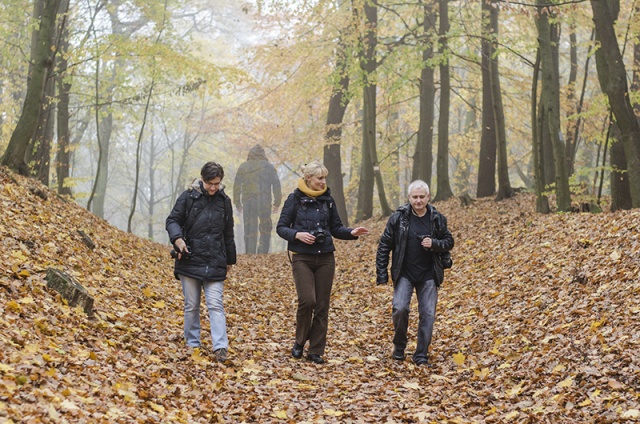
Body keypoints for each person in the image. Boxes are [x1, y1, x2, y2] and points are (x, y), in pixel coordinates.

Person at [276, 161, 369, 364]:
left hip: (326, 257)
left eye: (324, 178)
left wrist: (351, 232)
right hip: (302, 257)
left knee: (322, 305)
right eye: (320, 178)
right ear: (308, 178)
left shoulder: (328, 200)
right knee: (307, 300)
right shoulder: (294, 199)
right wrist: (298, 235)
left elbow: (336, 228)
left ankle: (316, 350)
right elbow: (281, 228)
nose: (323, 182)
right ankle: (300, 341)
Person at [375, 180, 454, 366]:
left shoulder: (437, 218)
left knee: (428, 314)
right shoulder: (398, 218)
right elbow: (384, 245)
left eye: (421, 197)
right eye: (415, 197)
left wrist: (434, 244)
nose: (418, 200)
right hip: (404, 272)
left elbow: (449, 241)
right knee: (400, 308)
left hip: (429, 274)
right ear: (409, 198)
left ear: (428, 197)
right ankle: (400, 346)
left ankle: (421, 355)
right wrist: (382, 273)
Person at [166, 161, 236, 362]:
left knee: (215, 304)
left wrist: (229, 260)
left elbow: (228, 233)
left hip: (215, 259)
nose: (213, 187)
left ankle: (220, 347)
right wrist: (178, 240)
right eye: (209, 183)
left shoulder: (224, 201)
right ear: (202, 179)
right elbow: (172, 220)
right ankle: (192, 343)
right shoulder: (188, 197)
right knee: (192, 305)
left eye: (216, 183)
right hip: (190, 258)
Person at [233, 144, 282, 254]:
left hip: (248, 201)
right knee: (265, 226)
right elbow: (276, 185)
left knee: (250, 226)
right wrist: (277, 202)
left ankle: (250, 252)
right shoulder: (269, 167)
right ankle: (263, 251)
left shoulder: (243, 167)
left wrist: (237, 202)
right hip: (265, 201)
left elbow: (237, 185)